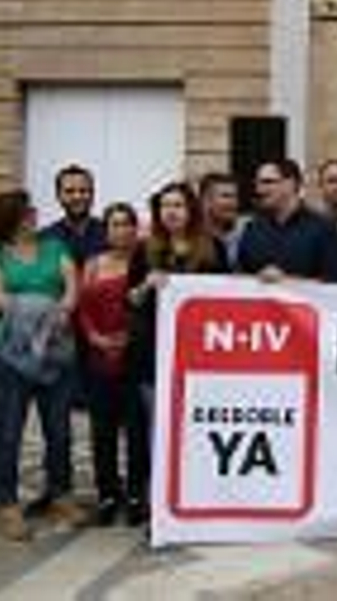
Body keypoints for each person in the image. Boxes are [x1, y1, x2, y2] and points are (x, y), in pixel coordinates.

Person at [0, 190, 84, 541]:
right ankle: (7, 503)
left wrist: (60, 308)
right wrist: (44, 309)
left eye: (33, 211)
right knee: (9, 427)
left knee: (59, 428)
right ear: (11, 219)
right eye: (27, 212)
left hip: (56, 351)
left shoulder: (54, 247)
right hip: (9, 354)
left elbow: (71, 288)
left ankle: (61, 494)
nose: (34, 216)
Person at [126, 182, 229, 527]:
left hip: (198, 356)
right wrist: (146, 285)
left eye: (178, 205)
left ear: (191, 211)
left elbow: (225, 299)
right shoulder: (144, 250)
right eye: (165, 206)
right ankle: (157, 502)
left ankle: (195, 496)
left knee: (193, 429)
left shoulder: (213, 248)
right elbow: (131, 299)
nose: (171, 212)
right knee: (155, 430)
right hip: (153, 354)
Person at [76, 203, 139, 526]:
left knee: (136, 430)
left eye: (127, 223)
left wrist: (129, 338)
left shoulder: (144, 262)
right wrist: (94, 338)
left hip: (135, 356)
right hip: (98, 355)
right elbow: (81, 308)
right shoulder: (92, 264)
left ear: (135, 228)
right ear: (107, 230)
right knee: (102, 430)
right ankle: (107, 494)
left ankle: (136, 493)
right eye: (115, 224)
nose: (121, 230)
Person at [236, 160, 337, 282]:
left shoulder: (323, 229)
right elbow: (239, 279)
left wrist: (287, 281)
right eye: (257, 183)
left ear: (290, 184)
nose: (259, 190)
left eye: (268, 182)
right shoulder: (253, 229)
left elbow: (334, 282)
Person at [42, 164, 107, 268]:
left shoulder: (108, 233)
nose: (77, 196)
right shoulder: (47, 238)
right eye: (69, 191)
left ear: (93, 194)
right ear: (58, 196)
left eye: (83, 191)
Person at [198, 172, 245, 265]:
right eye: (225, 196)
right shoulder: (193, 238)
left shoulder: (245, 234)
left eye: (235, 196)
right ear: (206, 201)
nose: (233, 202)